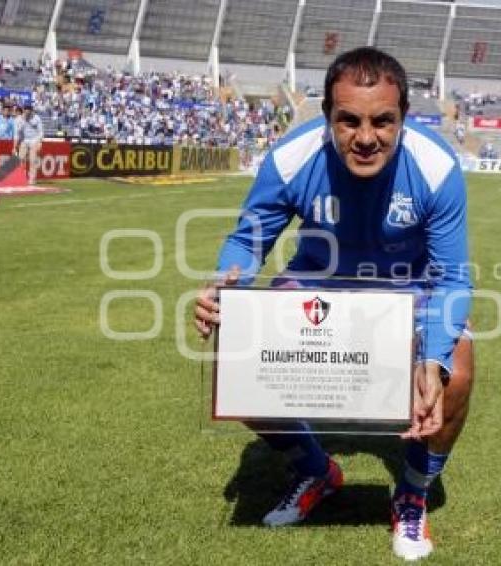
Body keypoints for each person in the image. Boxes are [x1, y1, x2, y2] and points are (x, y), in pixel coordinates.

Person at [194, 47, 473, 561]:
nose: (366, 137)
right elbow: (248, 240)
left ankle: (411, 492)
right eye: (349, 120)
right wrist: (223, 287)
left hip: (408, 288)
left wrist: (430, 359)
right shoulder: (291, 157)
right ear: (326, 117)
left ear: (404, 118)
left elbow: (453, 276)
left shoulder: (435, 166)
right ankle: (316, 471)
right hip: (320, 283)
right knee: (239, 356)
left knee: (456, 369)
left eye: (383, 121)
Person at [12, 104, 43, 184]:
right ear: (23, 110)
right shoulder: (18, 119)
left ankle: (32, 179)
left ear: (31, 110)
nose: (27, 111)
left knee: (33, 160)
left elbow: (41, 131)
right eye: (26, 109)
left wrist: (40, 142)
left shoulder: (36, 118)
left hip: (34, 139)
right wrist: (14, 147)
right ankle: (22, 177)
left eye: (29, 109)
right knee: (21, 158)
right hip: (24, 140)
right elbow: (16, 134)